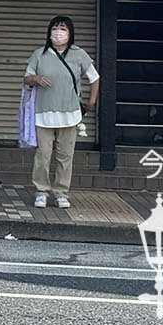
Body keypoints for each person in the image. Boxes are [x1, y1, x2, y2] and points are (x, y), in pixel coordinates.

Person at [22, 15, 99, 209]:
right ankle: (41, 191)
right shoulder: (39, 54)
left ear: (70, 33)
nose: (58, 33)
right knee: (43, 155)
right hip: (43, 114)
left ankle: (61, 192)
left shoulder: (79, 54)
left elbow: (94, 78)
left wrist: (91, 102)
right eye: (55, 29)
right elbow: (27, 78)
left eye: (63, 29)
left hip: (70, 114)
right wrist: (36, 79)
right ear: (49, 32)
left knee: (65, 156)